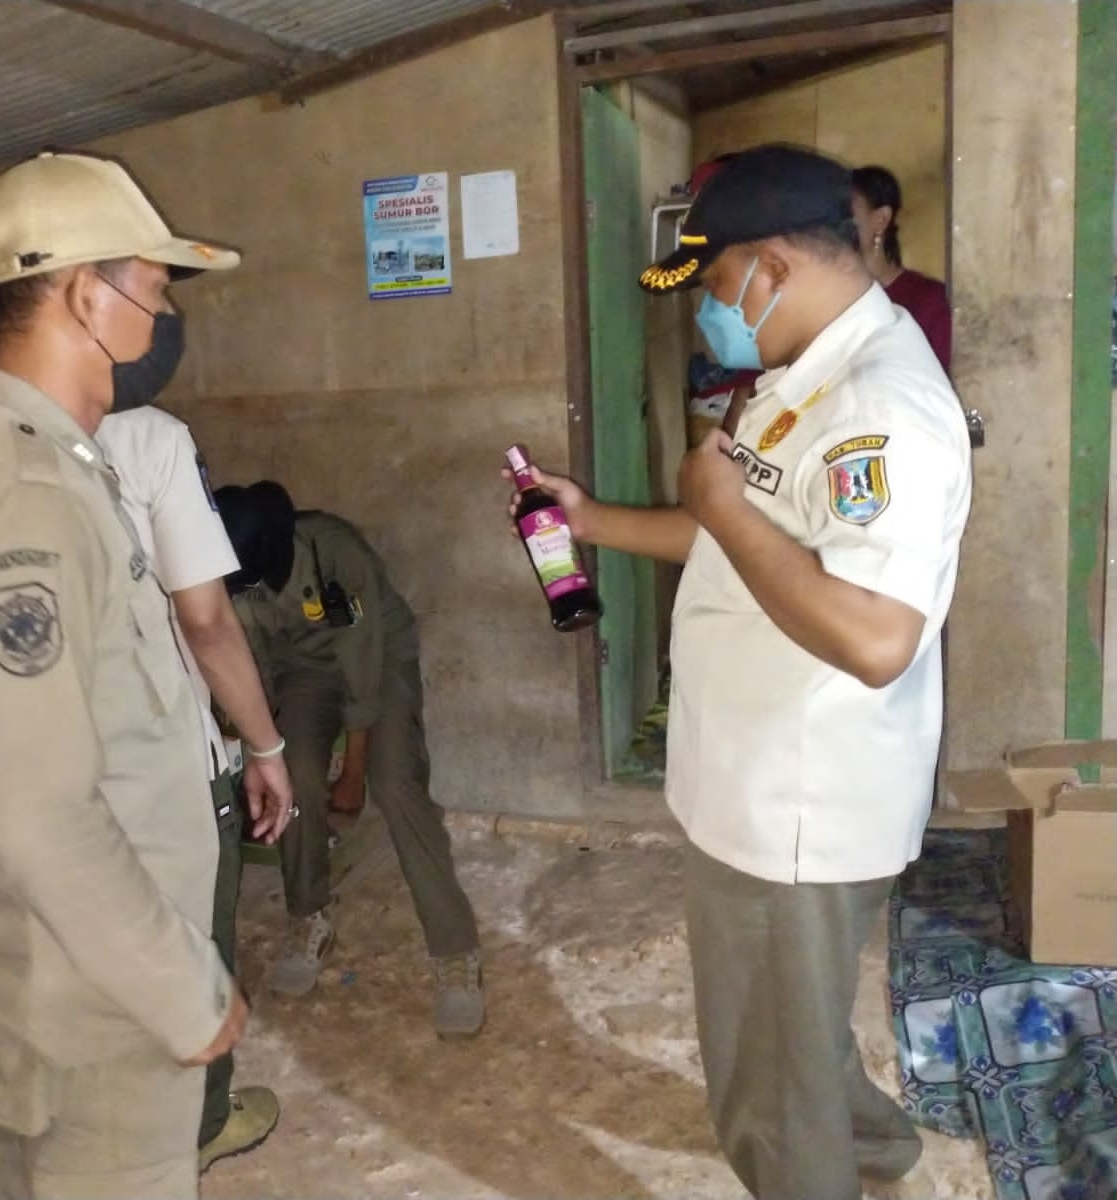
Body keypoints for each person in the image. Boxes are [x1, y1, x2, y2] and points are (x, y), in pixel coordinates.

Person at [521, 144, 971, 1199]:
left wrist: (720, 502)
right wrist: (589, 522)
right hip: (751, 781)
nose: (710, 312)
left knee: (768, 1086)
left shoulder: (881, 409)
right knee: (790, 1031)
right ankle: (870, 1148)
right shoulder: (791, 380)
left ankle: (817, 1163)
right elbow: (734, 538)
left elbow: (874, 639)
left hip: (798, 807)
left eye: (718, 286)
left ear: (772, 262)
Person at [0, 152, 247, 1199]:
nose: (160, 319)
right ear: (87, 296)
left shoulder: (36, 463)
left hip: (71, 980)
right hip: (92, 1007)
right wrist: (185, 993)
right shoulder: (26, 497)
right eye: (152, 288)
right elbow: (42, 815)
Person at [95, 402, 295, 1171]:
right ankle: (201, 1125)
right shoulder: (149, 440)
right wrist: (264, 747)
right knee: (194, 949)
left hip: (70, 769)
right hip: (166, 763)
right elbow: (206, 621)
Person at [214, 481, 484, 1037]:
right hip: (305, 671)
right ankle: (307, 913)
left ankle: (455, 952)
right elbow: (252, 666)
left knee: (395, 784)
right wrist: (256, 748)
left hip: (379, 658)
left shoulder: (335, 551)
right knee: (295, 778)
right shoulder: (229, 572)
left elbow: (363, 667)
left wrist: (355, 774)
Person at [850, 165, 952, 371]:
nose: (834, 226)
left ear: (881, 219)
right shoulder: (824, 299)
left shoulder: (929, 301)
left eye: (846, 213)